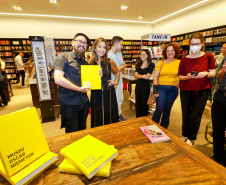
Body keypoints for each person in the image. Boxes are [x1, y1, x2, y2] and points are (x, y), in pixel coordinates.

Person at [178, 32, 216, 146]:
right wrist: (187, 77)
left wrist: (206, 73)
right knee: (185, 113)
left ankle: (191, 137)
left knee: (195, 114)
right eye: (192, 44)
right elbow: (180, 76)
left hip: (202, 90)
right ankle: (185, 134)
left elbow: (213, 72)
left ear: (202, 43)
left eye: (197, 44)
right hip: (186, 89)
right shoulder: (184, 59)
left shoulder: (209, 56)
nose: (194, 46)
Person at [53, 33, 91, 133]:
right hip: (69, 102)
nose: (82, 44)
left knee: (82, 130)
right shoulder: (63, 57)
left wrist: (97, 76)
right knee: (72, 132)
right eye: (80, 41)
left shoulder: (85, 62)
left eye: (85, 43)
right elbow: (58, 79)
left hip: (83, 101)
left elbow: (88, 81)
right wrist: (78, 89)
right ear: (72, 43)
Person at [89, 38, 120, 127]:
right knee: (97, 115)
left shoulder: (109, 61)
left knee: (109, 114)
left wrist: (115, 81)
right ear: (95, 48)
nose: (102, 50)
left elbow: (117, 71)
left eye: (104, 47)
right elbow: (88, 80)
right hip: (96, 93)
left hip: (109, 92)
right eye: (99, 47)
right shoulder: (90, 63)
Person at [152, 43, 181, 129]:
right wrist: (155, 90)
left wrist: (180, 84)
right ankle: (153, 126)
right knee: (160, 107)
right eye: (168, 51)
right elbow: (155, 77)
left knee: (167, 109)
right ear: (165, 52)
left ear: (175, 52)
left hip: (173, 89)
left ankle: (163, 128)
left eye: (172, 50)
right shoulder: (161, 62)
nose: (170, 52)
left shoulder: (179, 62)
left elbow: (182, 76)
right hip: (161, 88)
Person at [211, 55, 226, 167]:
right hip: (220, 96)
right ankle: (217, 156)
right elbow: (220, 76)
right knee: (217, 130)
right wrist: (223, 71)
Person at [108, 36, 127, 121]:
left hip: (120, 80)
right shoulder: (109, 55)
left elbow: (122, 65)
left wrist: (119, 67)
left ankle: (118, 114)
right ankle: (114, 116)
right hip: (113, 81)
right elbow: (112, 71)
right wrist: (120, 67)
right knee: (114, 100)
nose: (122, 47)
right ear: (115, 44)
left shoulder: (119, 53)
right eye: (121, 44)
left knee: (120, 99)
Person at [135, 49, 155, 118]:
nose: (141, 56)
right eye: (141, 54)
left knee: (144, 103)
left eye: (143, 54)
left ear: (147, 55)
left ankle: (144, 118)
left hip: (145, 86)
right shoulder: (138, 64)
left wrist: (139, 76)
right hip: (138, 85)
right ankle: (138, 119)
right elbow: (135, 76)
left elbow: (147, 77)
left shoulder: (151, 64)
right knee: (138, 103)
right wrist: (143, 76)